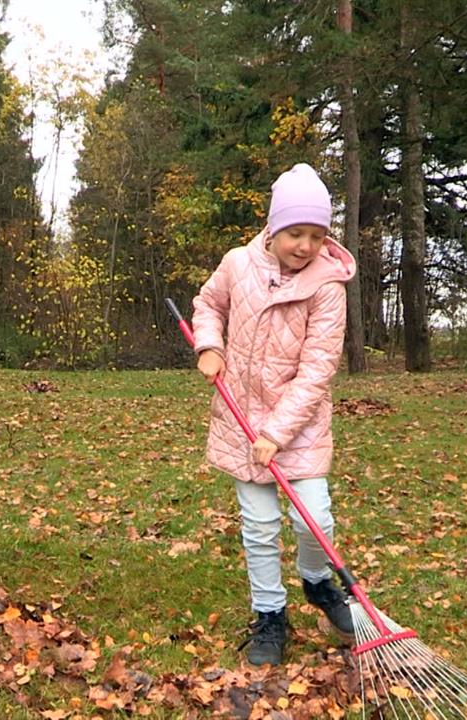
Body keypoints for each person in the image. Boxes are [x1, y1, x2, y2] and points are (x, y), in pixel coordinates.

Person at [189, 163, 356, 667]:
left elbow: (317, 371)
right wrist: (209, 346)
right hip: (240, 420)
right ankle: (270, 615)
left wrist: (277, 434)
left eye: (317, 235)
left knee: (315, 519)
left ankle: (316, 581)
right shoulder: (238, 264)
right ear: (273, 226)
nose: (305, 245)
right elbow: (208, 304)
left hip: (297, 427)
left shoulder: (328, 287)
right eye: (295, 233)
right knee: (259, 525)